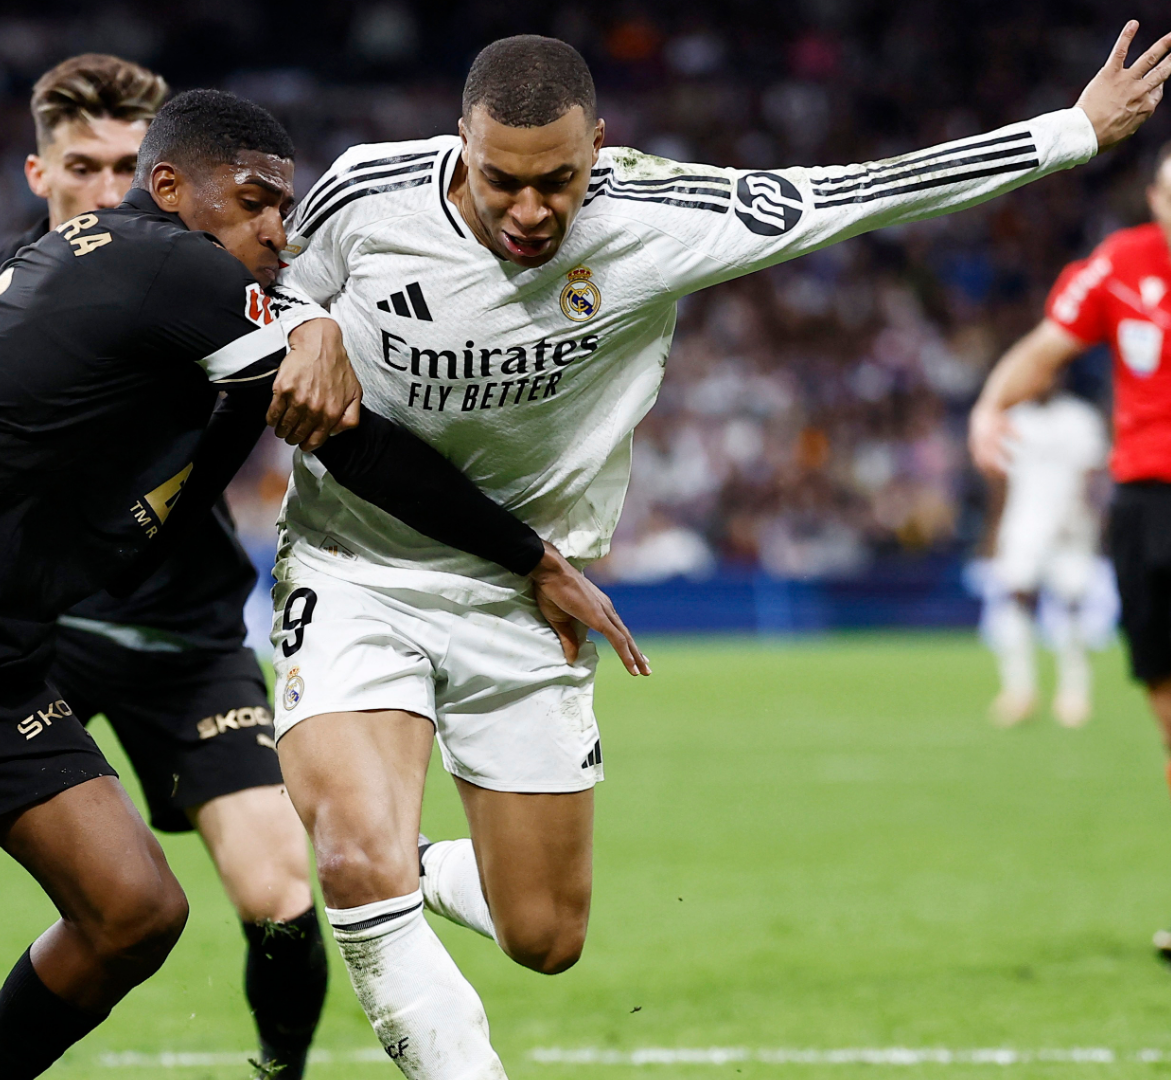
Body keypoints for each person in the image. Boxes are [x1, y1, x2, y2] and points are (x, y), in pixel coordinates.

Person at [271, 27, 1171, 1077]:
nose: (529, 211)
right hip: (356, 564)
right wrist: (305, 321)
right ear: (460, 143)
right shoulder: (365, 193)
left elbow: (862, 191)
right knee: (353, 860)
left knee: (545, 937)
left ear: (598, 148)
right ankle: (383, 871)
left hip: (534, 593)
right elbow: (262, 276)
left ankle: (412, 863)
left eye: (557, 182)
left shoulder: (660, 215)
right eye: (500, 181)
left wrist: (1071, 132)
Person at [0, 89, 591, 1080]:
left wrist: (308, 321)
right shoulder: (167, 262)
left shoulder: (127, 270)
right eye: (256, 201)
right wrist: (532, 559)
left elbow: (262, 397)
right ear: (170, 186)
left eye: (286, 207)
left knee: (133, 910)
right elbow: (350, 442)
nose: (279, 229)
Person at [0, 56, 328, 1080]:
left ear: (163, 175)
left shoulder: (215, 280)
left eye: (125, 167)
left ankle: (282, 1073)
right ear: (39, 174)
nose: (106, 188)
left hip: (185, 633)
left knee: (278, 894)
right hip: (39, 629)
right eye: (83, 166)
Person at [970, 139, 1171, 955]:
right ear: (1154, 199)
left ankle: (1060, 689)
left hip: (1097, 524)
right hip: (1145, 509)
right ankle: (1029, 689)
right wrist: (990, 404)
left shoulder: (1081, 424)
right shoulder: (1121, 265)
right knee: (1166, 712)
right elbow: (1047, 345)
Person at [979, 391, 1108, 728]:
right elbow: (1001, 481)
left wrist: (1093, 521)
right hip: (1024, 525)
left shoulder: (1079, 418)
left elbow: (1094, 478)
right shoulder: (1014, 419)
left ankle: (1074, 693)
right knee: (1016, 600)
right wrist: (994, 529)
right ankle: (1019, 691)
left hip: (1070, 526)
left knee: (1072, 606)